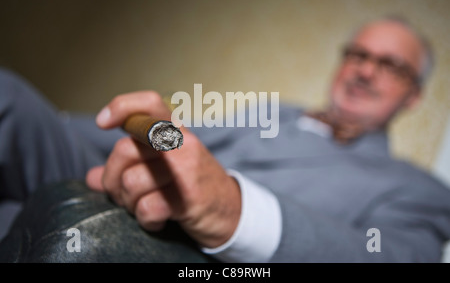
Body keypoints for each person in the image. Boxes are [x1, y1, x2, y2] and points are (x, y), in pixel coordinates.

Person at [0, 16, 450, 262]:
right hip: (116, 186)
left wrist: (234, 211)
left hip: (197, 259)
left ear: (413, 96)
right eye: (358, 54)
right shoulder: (275, 112)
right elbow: (183, 141)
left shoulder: (416, 190)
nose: (365, 70)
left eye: (390, 65)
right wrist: (58, 124)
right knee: (11, 100)